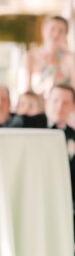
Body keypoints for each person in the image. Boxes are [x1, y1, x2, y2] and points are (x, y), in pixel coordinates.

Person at [22, 15, 75, 96]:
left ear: (66, 35)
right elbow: (26, 89)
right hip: (38, 106)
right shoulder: (30, 56)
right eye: (52, 29)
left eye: (61, 31)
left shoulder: (71, 58)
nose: (56, 34)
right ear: (43, 30)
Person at [45, 83, 75, 211]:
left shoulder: (73, 135)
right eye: (55, 101)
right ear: (47, 102)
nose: (59, 107)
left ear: (73, 107)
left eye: (65, 103)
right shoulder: (31, 130)